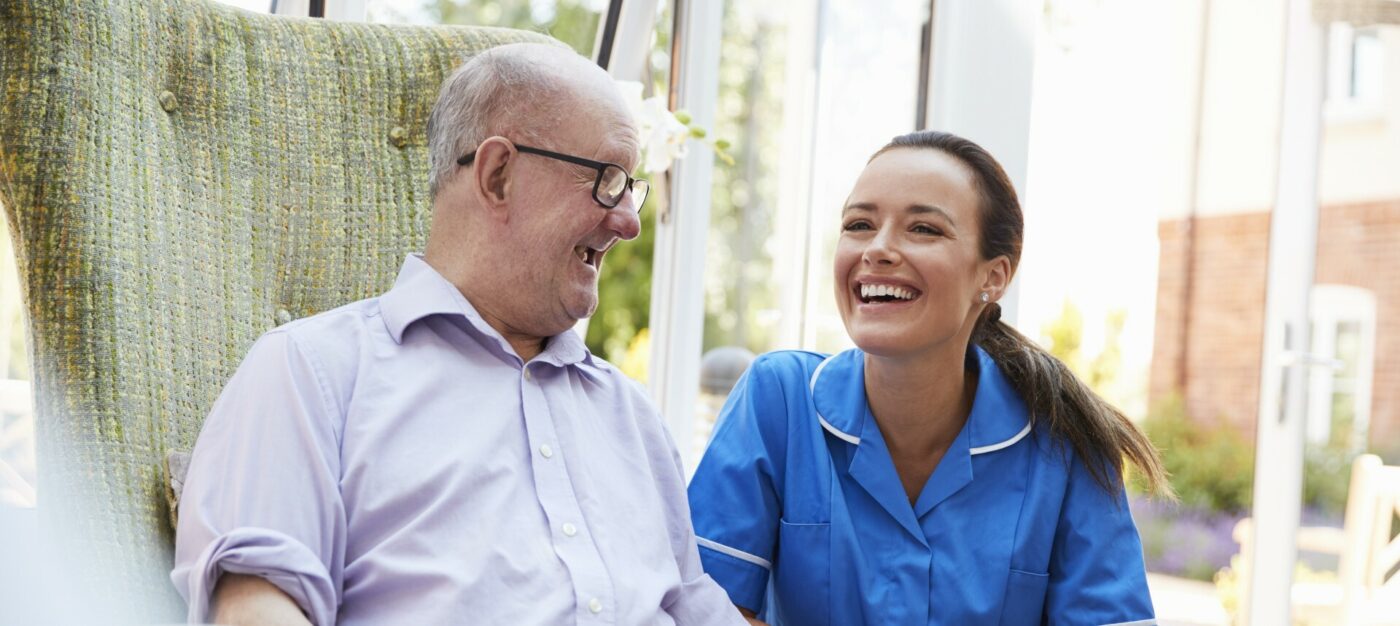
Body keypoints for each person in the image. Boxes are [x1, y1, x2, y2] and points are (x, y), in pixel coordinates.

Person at [172, 43, 744, 626]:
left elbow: (696, 607)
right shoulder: (311, 372)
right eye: (607, 180)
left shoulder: (632, 415)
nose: (628, 221)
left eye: (631, 188)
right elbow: (255, 608)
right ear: (498, 174)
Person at [687, 130, 1171, 625]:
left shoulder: (1066, 445)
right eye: (858, 224)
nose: (877, 249)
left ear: (993, 276)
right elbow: (705, 607)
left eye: (923, 229)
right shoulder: (779, 400)